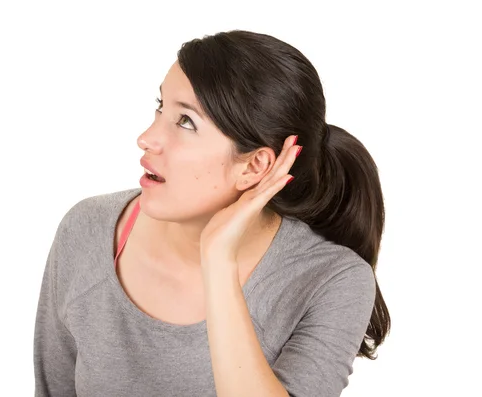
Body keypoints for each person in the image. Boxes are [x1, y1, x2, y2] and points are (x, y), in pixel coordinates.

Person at [33, 29, 390, 397]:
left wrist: (218, 261)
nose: (147, 137)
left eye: (185, 121)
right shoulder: (88, 228)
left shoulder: (333, 280)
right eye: (160, 107)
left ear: (254, 167)